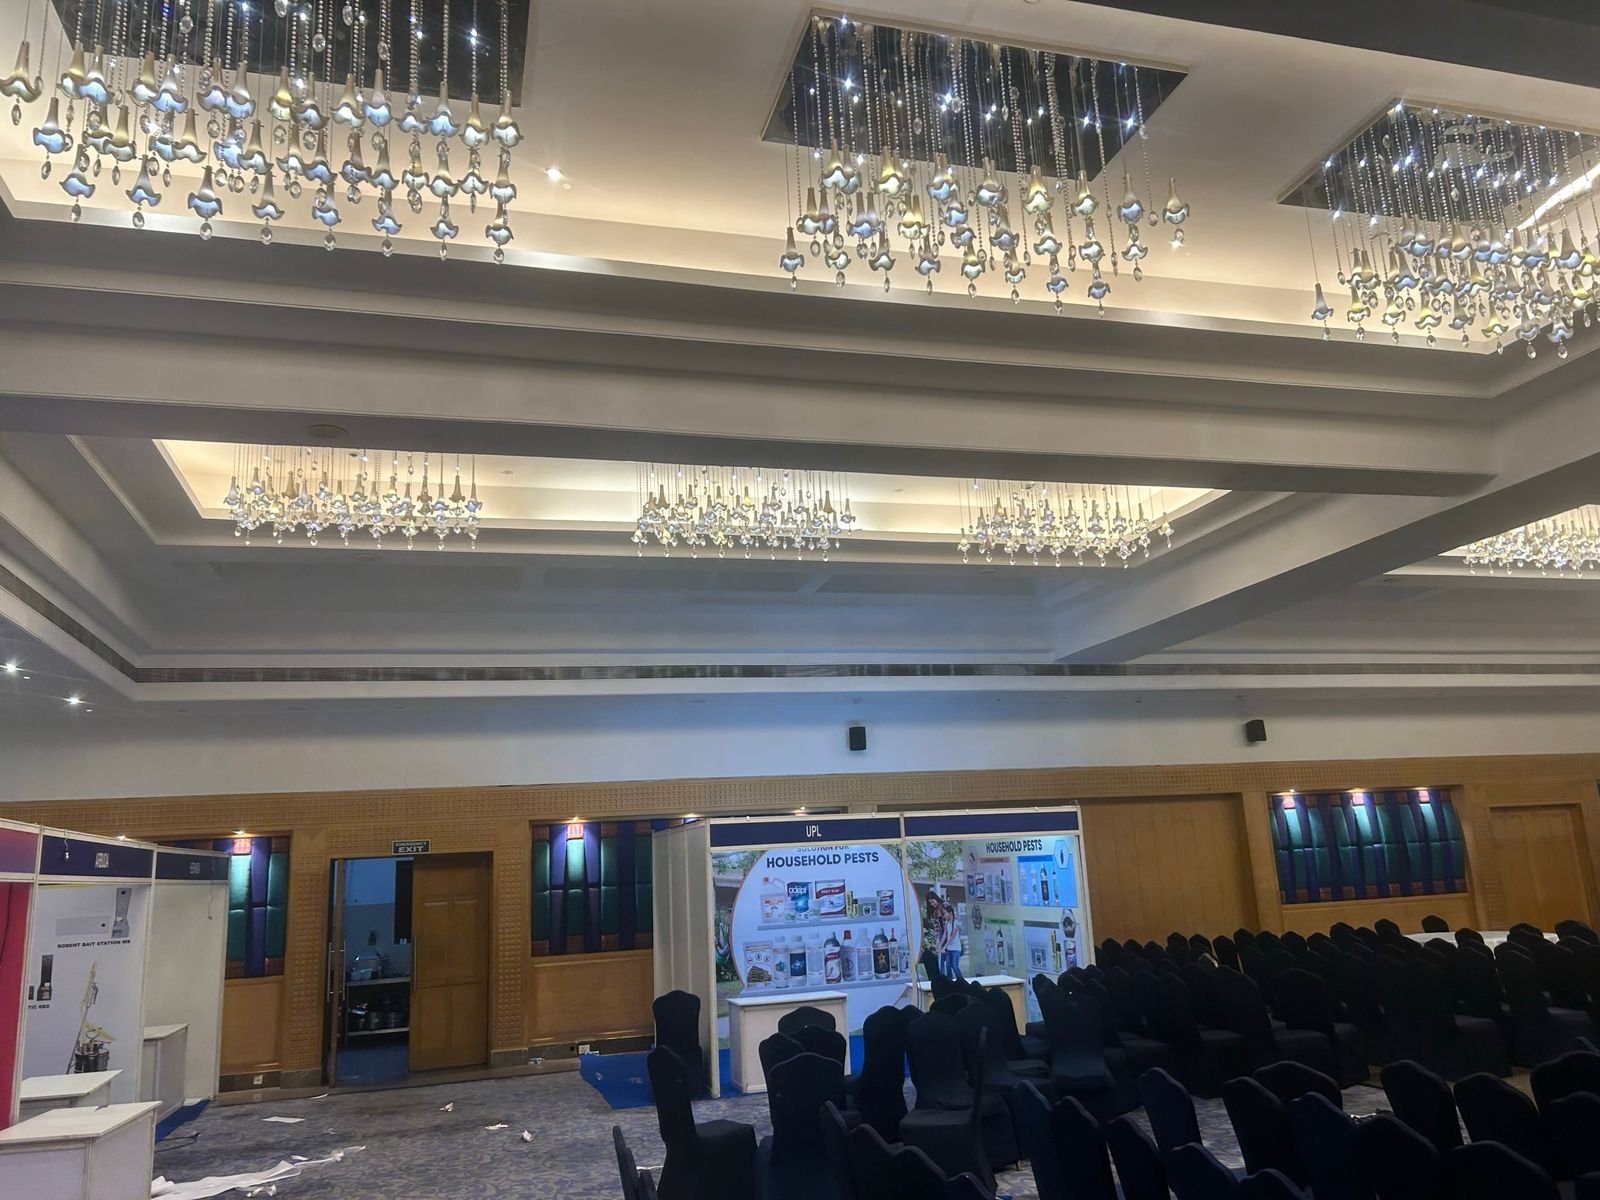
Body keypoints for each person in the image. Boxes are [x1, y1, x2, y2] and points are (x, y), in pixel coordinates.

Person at [937, 893, 961, 979]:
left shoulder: (956, 923)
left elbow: (951, 937)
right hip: (949, 949)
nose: (944, 916)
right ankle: (950, 982)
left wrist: (944, 947)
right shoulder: (947, 923)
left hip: (955, 949)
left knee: (955, 966)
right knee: (948, 966)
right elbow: (944, 935)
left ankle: (962, 981)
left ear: (950, 913)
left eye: (945, 913)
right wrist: (940, 946)